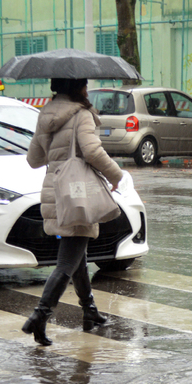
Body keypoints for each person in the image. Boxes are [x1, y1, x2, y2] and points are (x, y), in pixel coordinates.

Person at [22, 77, 124, 346]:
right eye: (85, 85)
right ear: (78, 87)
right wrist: (117, 176)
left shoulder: (46, 114)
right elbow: (92, 151)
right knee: (67, 263)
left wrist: (57, 147)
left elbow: (34, 159)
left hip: (56, 192)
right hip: (77, 194)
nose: (87, 90)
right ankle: (39, 317)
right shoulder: (82, 115)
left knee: (78, 254)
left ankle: (89, 311)